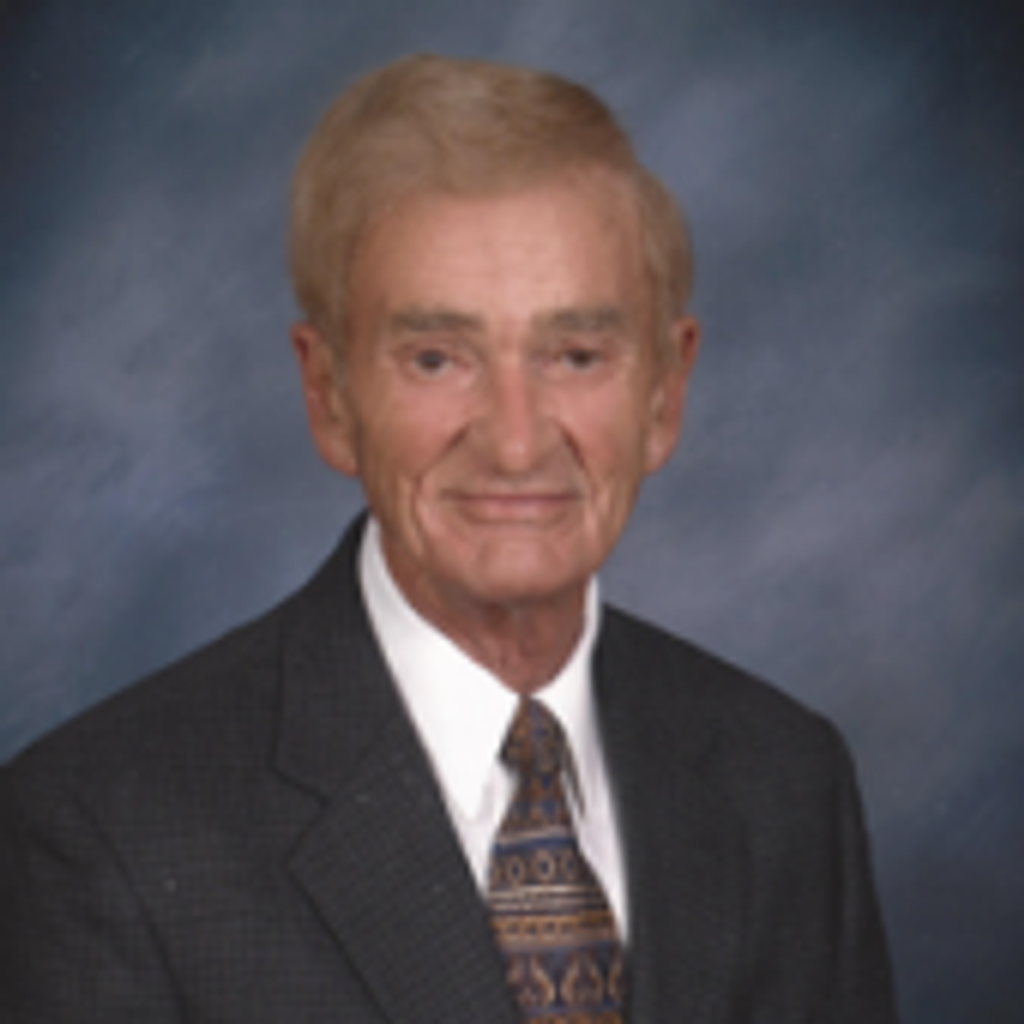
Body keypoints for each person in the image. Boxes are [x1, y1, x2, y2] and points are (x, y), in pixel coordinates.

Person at [0, 55, 898, 1023]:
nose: (515, 441)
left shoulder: (784, 780)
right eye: (436, 359)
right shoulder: (102, 831)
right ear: (330, 396)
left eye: (576, 355)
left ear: (663, 394)